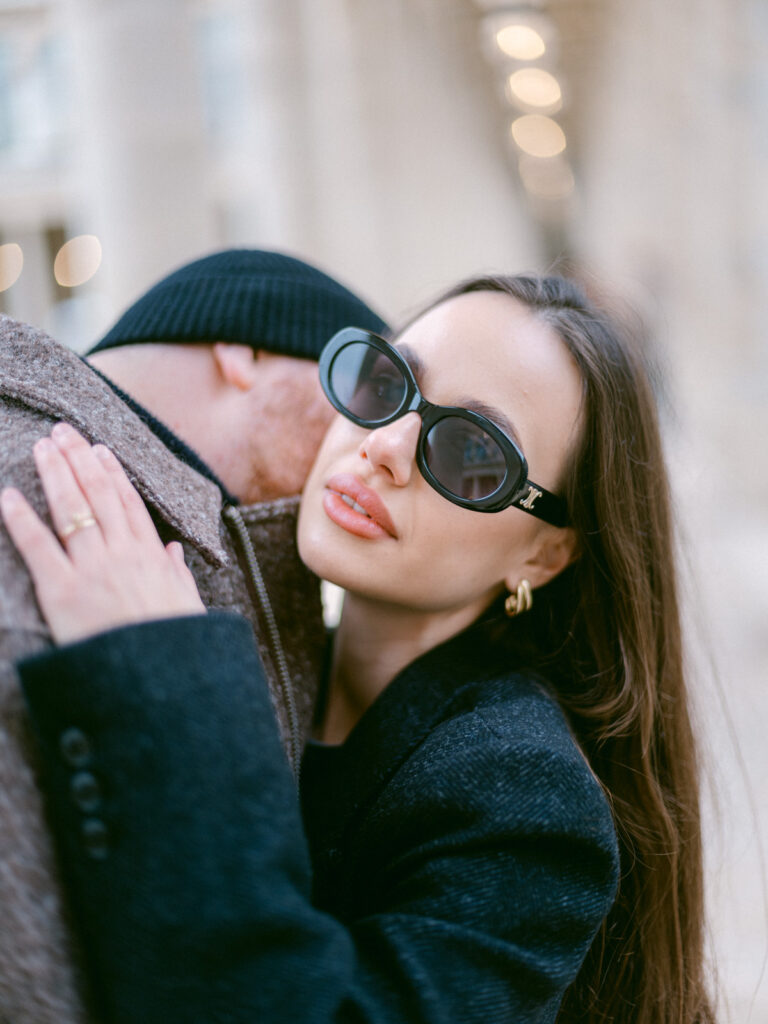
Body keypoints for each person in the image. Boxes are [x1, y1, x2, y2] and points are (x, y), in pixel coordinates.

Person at [1, 274, 714, 1023]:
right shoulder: (276, 647)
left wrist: (158, 688)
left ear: (544, 554)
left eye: (472, 450)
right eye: (388, 381)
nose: (386, 447)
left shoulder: (527, 796)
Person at [0, 248, 387, 1024]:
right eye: (369, 393)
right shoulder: (35, 498)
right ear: (242, 351)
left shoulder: (212, 529)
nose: (381, 441)